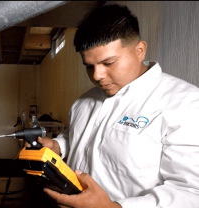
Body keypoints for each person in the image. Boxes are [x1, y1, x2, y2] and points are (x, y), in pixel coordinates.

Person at [30, 4, 199, 208]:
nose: (96, 76)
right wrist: (58, 146)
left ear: (140, 50)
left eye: (108, 63)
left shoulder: (185, 104)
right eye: (89, 66)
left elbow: (190, 193)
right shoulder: (83, 102)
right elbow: (76, 135)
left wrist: (112, 207)